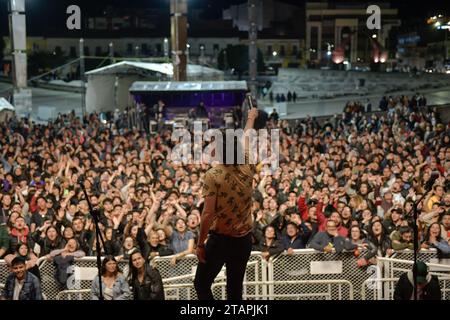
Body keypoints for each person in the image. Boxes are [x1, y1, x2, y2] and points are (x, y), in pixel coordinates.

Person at [194, 107, 259, 300]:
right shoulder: (247, 163)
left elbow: (207, 214)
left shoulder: (214, 175)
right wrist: (250, 118)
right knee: (234, 290)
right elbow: (246, 137)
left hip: (221, 240)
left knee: (201, 284)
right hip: (244, 240)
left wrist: (200, 243)